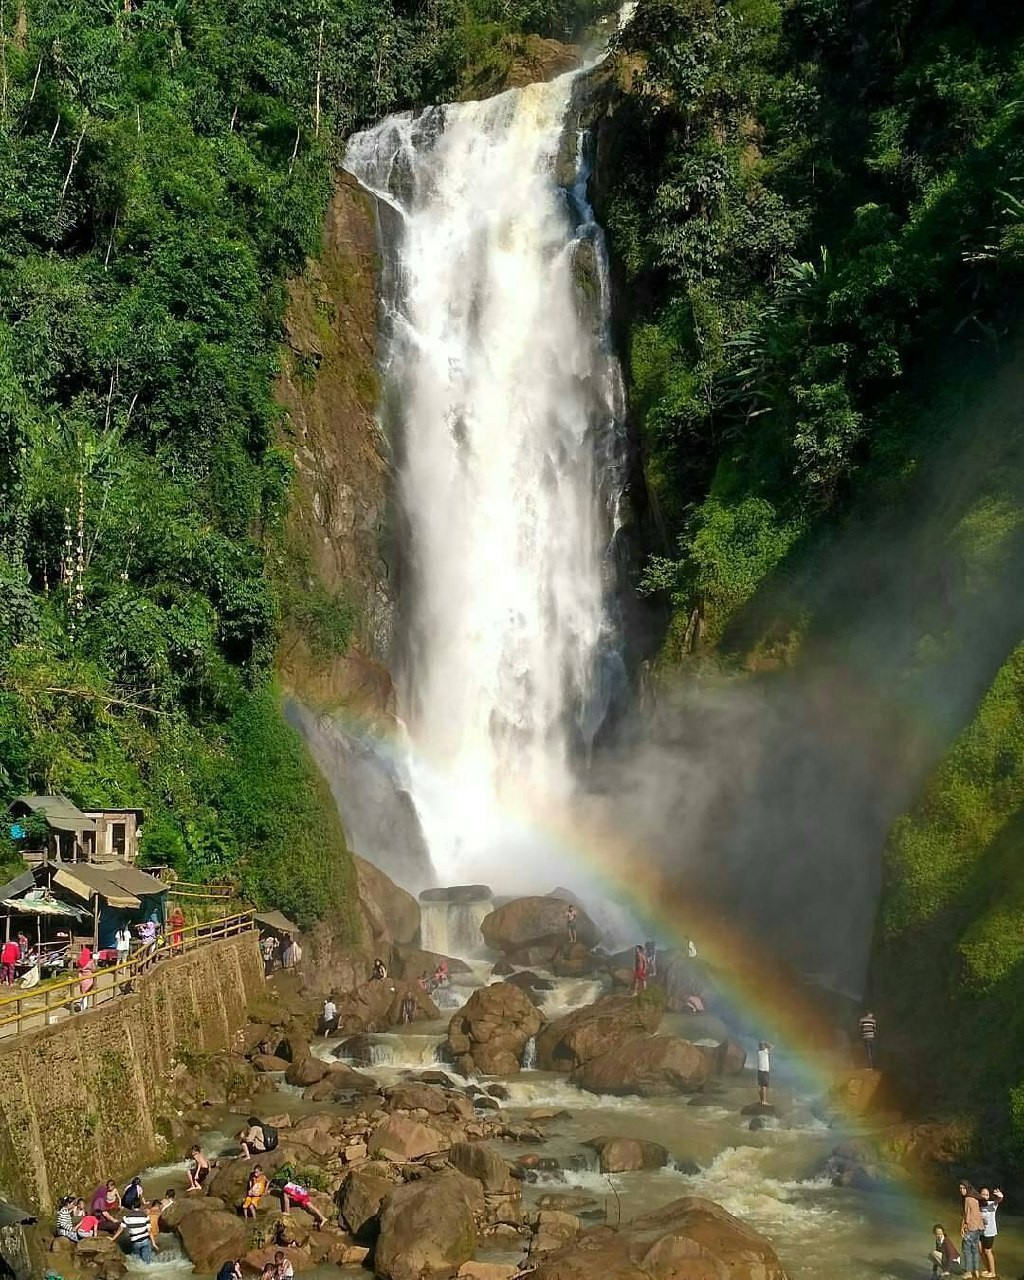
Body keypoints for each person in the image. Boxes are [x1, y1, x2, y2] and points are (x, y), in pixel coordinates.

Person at [960, 1181, 984, 1280]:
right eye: (960, 1188)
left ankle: (968, 1272)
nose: (961, 1190)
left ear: (968, 1188)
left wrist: (963, 1228)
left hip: (971, 1227)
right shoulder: (975, 1198)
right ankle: (977, 1271)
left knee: (966, 1250)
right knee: (975, 1250)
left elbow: (967, 1216)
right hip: (978, 1227)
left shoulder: (968, 1199)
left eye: (963, 1188)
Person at [979, 1186, 1003, 1277]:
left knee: (987, 1251)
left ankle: (992, 1272)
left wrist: (1000, 1196)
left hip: (990, 1232)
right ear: (980, 1195)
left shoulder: (992, 1204)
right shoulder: (978, 1205)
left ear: (989, 1196)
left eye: (987, 1194)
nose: (985, 1196)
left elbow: (999, 1200)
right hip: (981, 1231)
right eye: (983, 1194)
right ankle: (988, 1269)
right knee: (980, 1250)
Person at [757, 1041, 773, 1106]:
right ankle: (764, 1101)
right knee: (764, 1087)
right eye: (764, 1045)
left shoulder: (759, 1052)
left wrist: (764, 1043)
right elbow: (772, 1046)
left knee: (761, 1087)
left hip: (760, 1071)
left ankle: (761, 1101)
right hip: (764, 1071)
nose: (765, 1046)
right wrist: (767, 1043)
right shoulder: (765, 1052)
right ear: (763, 1046)